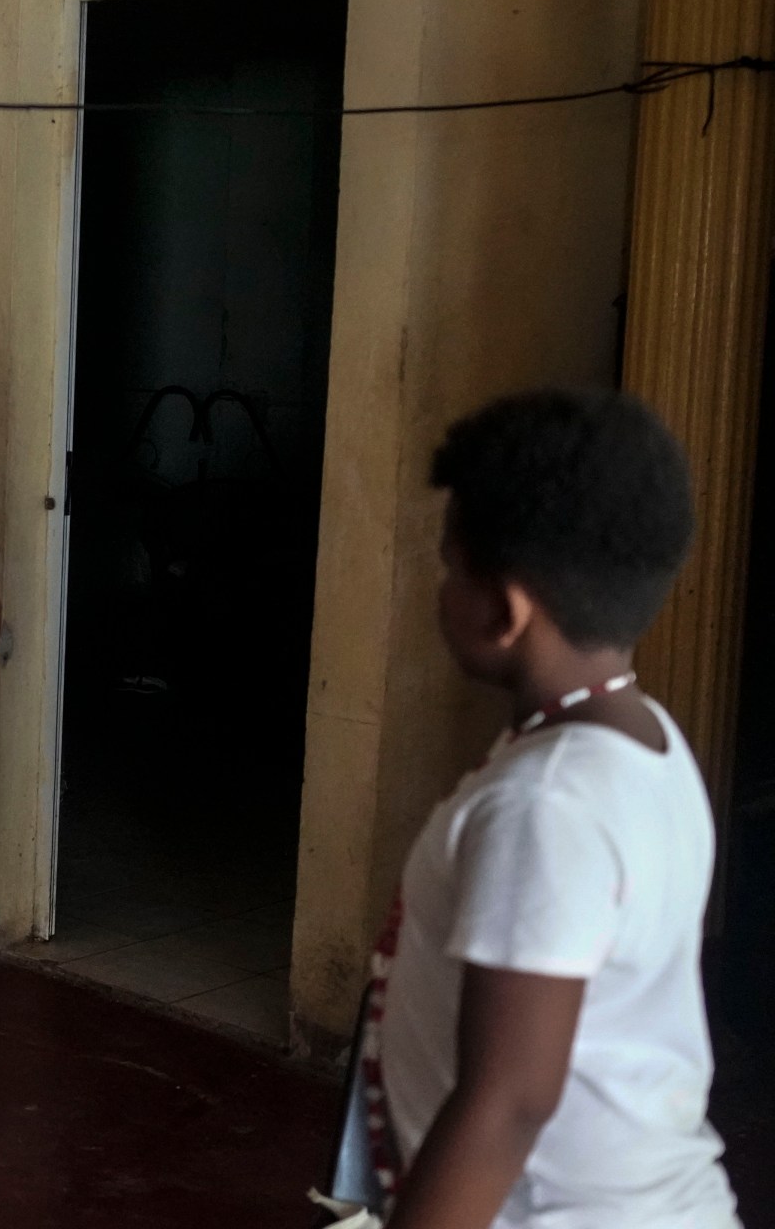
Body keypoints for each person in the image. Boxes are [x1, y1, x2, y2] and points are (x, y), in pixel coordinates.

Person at [342, 389, 738, 1229]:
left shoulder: (545, 806)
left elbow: (508, 1104)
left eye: (451, 566)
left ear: (506, 611)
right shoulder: (643, 739)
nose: (441, 586)